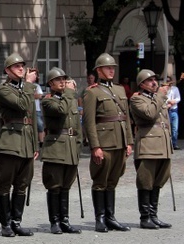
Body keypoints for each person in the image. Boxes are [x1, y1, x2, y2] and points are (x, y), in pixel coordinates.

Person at [82, 53, 133, 233]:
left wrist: (129, 141)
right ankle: (100, 218)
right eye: (107, 67)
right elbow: (89, 122)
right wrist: (95, 146)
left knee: (113, 180)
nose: (111, 70)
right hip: (104, 142)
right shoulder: (92, 92)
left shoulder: (120, 90)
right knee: (100, 181)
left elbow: (125, 118)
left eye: (113, 67)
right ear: (98, 70)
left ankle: (111, 217)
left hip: (119, 141)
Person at [0, 53, 38, 237]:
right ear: (7, 70)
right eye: (17, 66)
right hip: (10, 141)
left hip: (26, 141)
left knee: (22, 185)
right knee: (5, 184)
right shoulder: (3, 90)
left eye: (22, 66)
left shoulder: (24, 89)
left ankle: (16, 221)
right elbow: (21, 105)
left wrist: (35, 144)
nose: (21, 69)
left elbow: (32, 118)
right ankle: (5, 224)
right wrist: (28, 84)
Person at [40, 68, 83, 234]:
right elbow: (61, 110)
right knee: (55, 185)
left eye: (64, 79)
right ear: (51, 83)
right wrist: (69, 93)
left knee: (66, 186)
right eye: (58, 80)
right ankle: (55, 221)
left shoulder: (69, 99)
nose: (62, 82)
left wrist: (78, 145)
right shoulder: (48, 100)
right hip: (56, 146)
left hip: (71, 147)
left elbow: (77, 125)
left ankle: (65, 220)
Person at [129, 70, 172, 229]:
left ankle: (154, 215)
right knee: (145, 181)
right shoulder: (137, 99)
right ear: (142, 84)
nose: (154, 82)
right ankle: (145, 216)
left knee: (159, 180)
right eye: (150, 80)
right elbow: (150, 114)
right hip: (148, 145)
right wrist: (160, 96)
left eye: (155, 79)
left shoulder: (156, 99)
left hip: (162, 145)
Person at [165, 77, 180, 149]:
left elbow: (178, 98)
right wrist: (168, 102)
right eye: (167, 81)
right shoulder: (164, 90)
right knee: (167, 128)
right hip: (166, 110)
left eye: (169, 81)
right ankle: (167, 144)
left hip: (174, 109)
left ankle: (174, 144)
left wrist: (173, 101)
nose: (168, 83)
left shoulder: (175, 89)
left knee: (175, 128)